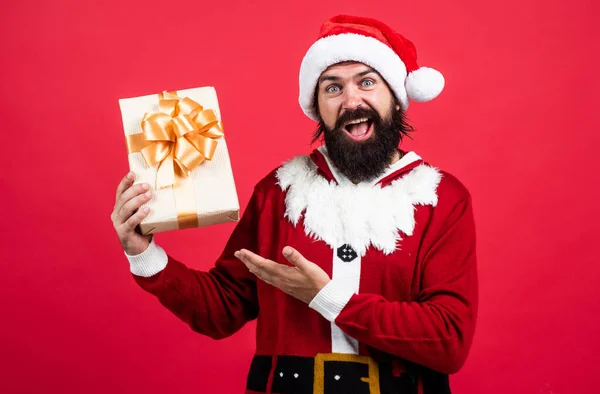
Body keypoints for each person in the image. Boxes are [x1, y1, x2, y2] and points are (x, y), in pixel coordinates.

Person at [111, 15, 478, 394]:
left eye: (367, 82)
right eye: (332, 88)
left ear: (396, 99)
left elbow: (448, 342)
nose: (351, 101)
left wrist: (328, 298)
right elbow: (221, 311)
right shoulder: (278, 192)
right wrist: (143, 254)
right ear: (318, 107)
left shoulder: (442, 199)